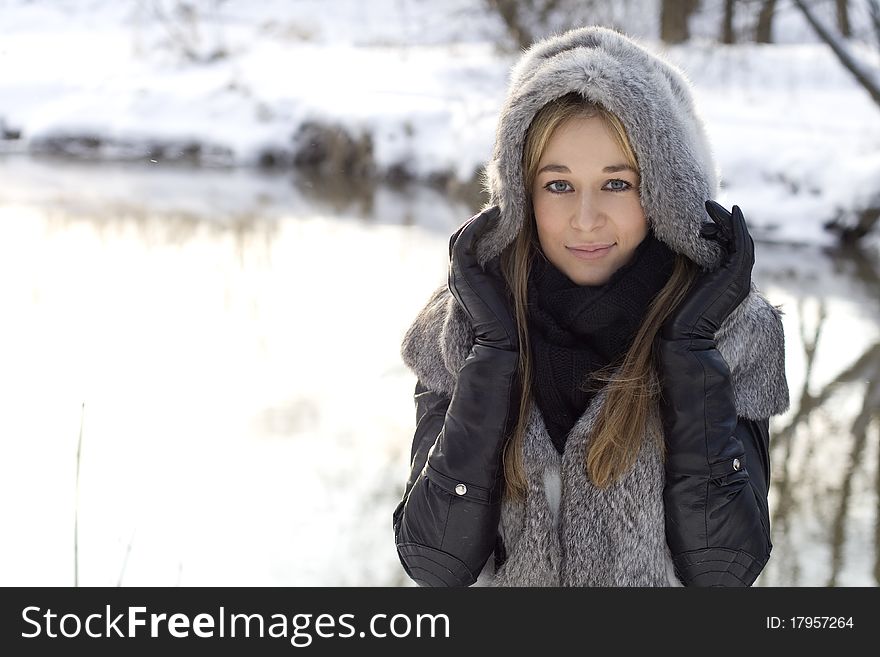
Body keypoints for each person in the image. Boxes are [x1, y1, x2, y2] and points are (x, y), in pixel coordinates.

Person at [392, 26, 789, 587]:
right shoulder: (459, 332)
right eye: (558, 185)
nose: (585, 219)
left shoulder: (730, 336)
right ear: (521, 194)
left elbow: (723, 568)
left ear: (663, 192)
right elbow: (436, 562)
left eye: (617, 184)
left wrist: (690, 352)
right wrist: (492, 356)